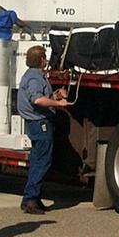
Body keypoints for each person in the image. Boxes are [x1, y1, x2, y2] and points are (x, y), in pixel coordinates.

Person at [17, 45, 71, 214]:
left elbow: (42, 97)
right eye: (45, 57)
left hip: (37, 123)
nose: (47, 60)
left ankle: (33, 197)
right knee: (42, 161)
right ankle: (30, 199)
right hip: (39, 123)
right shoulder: (34, 78)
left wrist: (55, 95)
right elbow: (38, 100)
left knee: (37, 160)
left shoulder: (35, 76)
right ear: (41, 60)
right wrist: (58, 103)